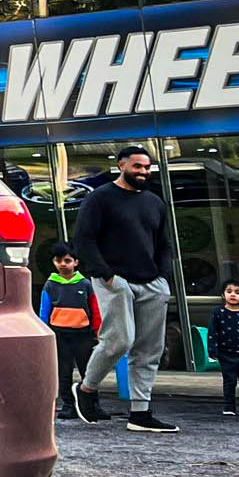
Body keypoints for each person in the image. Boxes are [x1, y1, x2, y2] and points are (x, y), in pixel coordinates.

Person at [72, 146, 179, 432]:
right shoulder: (100, 199)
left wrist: (163, 278)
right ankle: (87, 389)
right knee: (119, 340)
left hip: (152, 283)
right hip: (115, 281)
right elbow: (84, 240)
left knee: (149, 350)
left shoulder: (155, 202)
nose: (143, 172)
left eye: (147, 167)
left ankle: (140, 414)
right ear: (121, 165)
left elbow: (164, 244)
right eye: (137, 166)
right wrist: (107, 277)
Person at [38, 242, 101, 420]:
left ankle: (93, 405)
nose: (63, 264)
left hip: (83, 334)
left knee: (89, 371)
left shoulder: (86, 284)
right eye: (59, 260)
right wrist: (45, 332)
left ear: (76, 262)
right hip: (60, 335)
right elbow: (44, 311)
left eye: (67, 260)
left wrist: (97, 330)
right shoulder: (50, 285)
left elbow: (95, 309)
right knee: (63, 372)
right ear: (54, 262)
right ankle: (68, 405)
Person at [210, 280, 239, 417]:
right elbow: (212, 333)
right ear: (223, 295)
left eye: (237, 292)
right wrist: (213, 350)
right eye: (229, 292)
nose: (233, 295)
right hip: (226, 354)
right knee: (229, 380)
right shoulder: (218, 312)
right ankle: (229, 407)